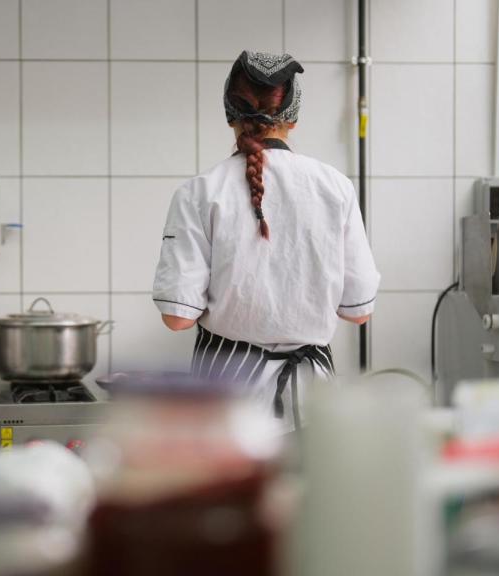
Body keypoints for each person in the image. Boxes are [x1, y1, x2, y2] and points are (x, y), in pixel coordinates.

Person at [152, 51, 380, 431]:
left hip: (225, 400)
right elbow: (359, 310)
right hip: (312, 402)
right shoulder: (335, 187)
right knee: (307, 491)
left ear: (230, 114)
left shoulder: (199, 191)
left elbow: (178, 318)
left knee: (232, 494)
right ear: (293, 117)